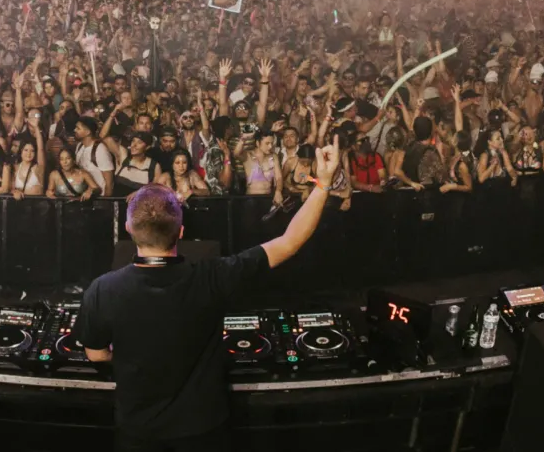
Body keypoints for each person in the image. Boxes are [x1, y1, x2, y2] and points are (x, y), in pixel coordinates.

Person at [73, 136, 342, 452]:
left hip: (139, 430)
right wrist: (323, 183)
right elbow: (288, 242)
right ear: (181, 231)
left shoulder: (102, 290)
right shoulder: (212, 277)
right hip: (203, 429)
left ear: (129, 229)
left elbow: (97, 354)